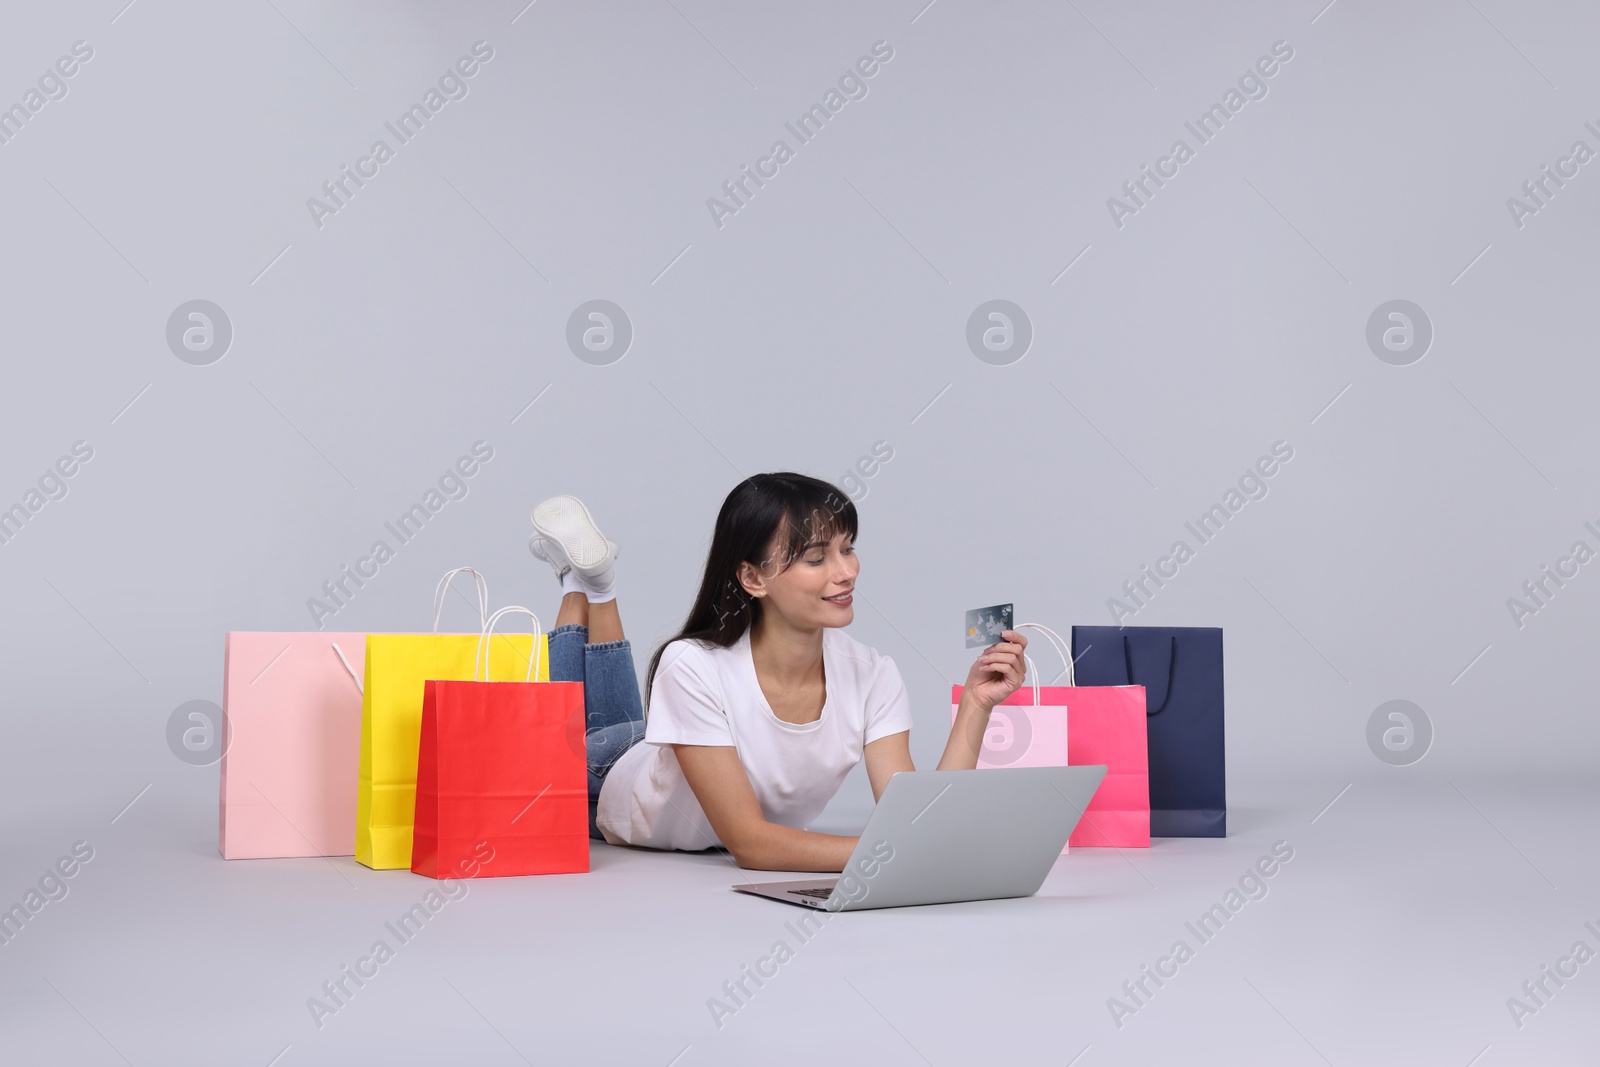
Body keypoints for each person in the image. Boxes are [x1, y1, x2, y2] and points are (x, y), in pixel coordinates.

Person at [527, 475, 1028, 872]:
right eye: (816, 558)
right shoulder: (693, 665)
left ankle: (594, 581)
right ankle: (587, 586)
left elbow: (920, 823)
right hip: (611, 773)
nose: (846, 571)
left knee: (609, 720)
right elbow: (750, 843)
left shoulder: (874, 674)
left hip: (684, 742)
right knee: (567, 735)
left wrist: (976, 705)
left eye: (847, 548)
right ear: (752, 578)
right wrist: (894, 853)